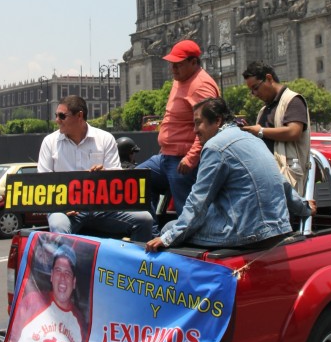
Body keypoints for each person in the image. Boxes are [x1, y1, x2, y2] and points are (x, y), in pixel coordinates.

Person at [146, 97, 292, 250]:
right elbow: (281, 181)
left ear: (217, 120)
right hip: (278, 229)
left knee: (169, 228)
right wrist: (304, 207)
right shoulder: (254, 140)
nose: (194, 130)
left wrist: (168, 238)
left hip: (244, 233)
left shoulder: (215, 146)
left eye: (197, 123)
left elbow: (198, 201)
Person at [39, 95, 152, 241]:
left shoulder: (105, 138)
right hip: (64, 210)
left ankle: (133, 262)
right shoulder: (49, 142)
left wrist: (105, 174)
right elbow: (43, 182)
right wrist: (63, 206)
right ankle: (65, 264)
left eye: (62, 116)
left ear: (79, 115)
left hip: (101, 209)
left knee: (145, 219)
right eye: (56, 115)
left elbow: (116, 178)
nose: (57, 120)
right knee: (59, 227)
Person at [137, 40, 220, 220]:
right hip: (167, 156)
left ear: (194, 62)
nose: (173, 69)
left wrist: (192, 157)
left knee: (187, 212)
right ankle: (150, 231)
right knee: (137, 182)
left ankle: (191, 245)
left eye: (178, 64)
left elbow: (209, 127)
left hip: (183, 159)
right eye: (172, 64)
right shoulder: (180, 79)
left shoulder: (202, 85)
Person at [241, 61, 311, 195]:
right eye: (251, 90)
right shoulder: (264, 109)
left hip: (287, 181)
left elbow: (293, 131)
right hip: (268, 181)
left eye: (256, 87)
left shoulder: (293, 100)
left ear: (269, 78)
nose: (254, 93)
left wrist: (260, 131)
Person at [12, 244, 88, 342]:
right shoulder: (32, 301)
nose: (62, 277)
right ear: (52, 276)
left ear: (74, 282)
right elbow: (12, 341)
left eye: (67, 273)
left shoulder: (79, 321)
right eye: (58, 271)